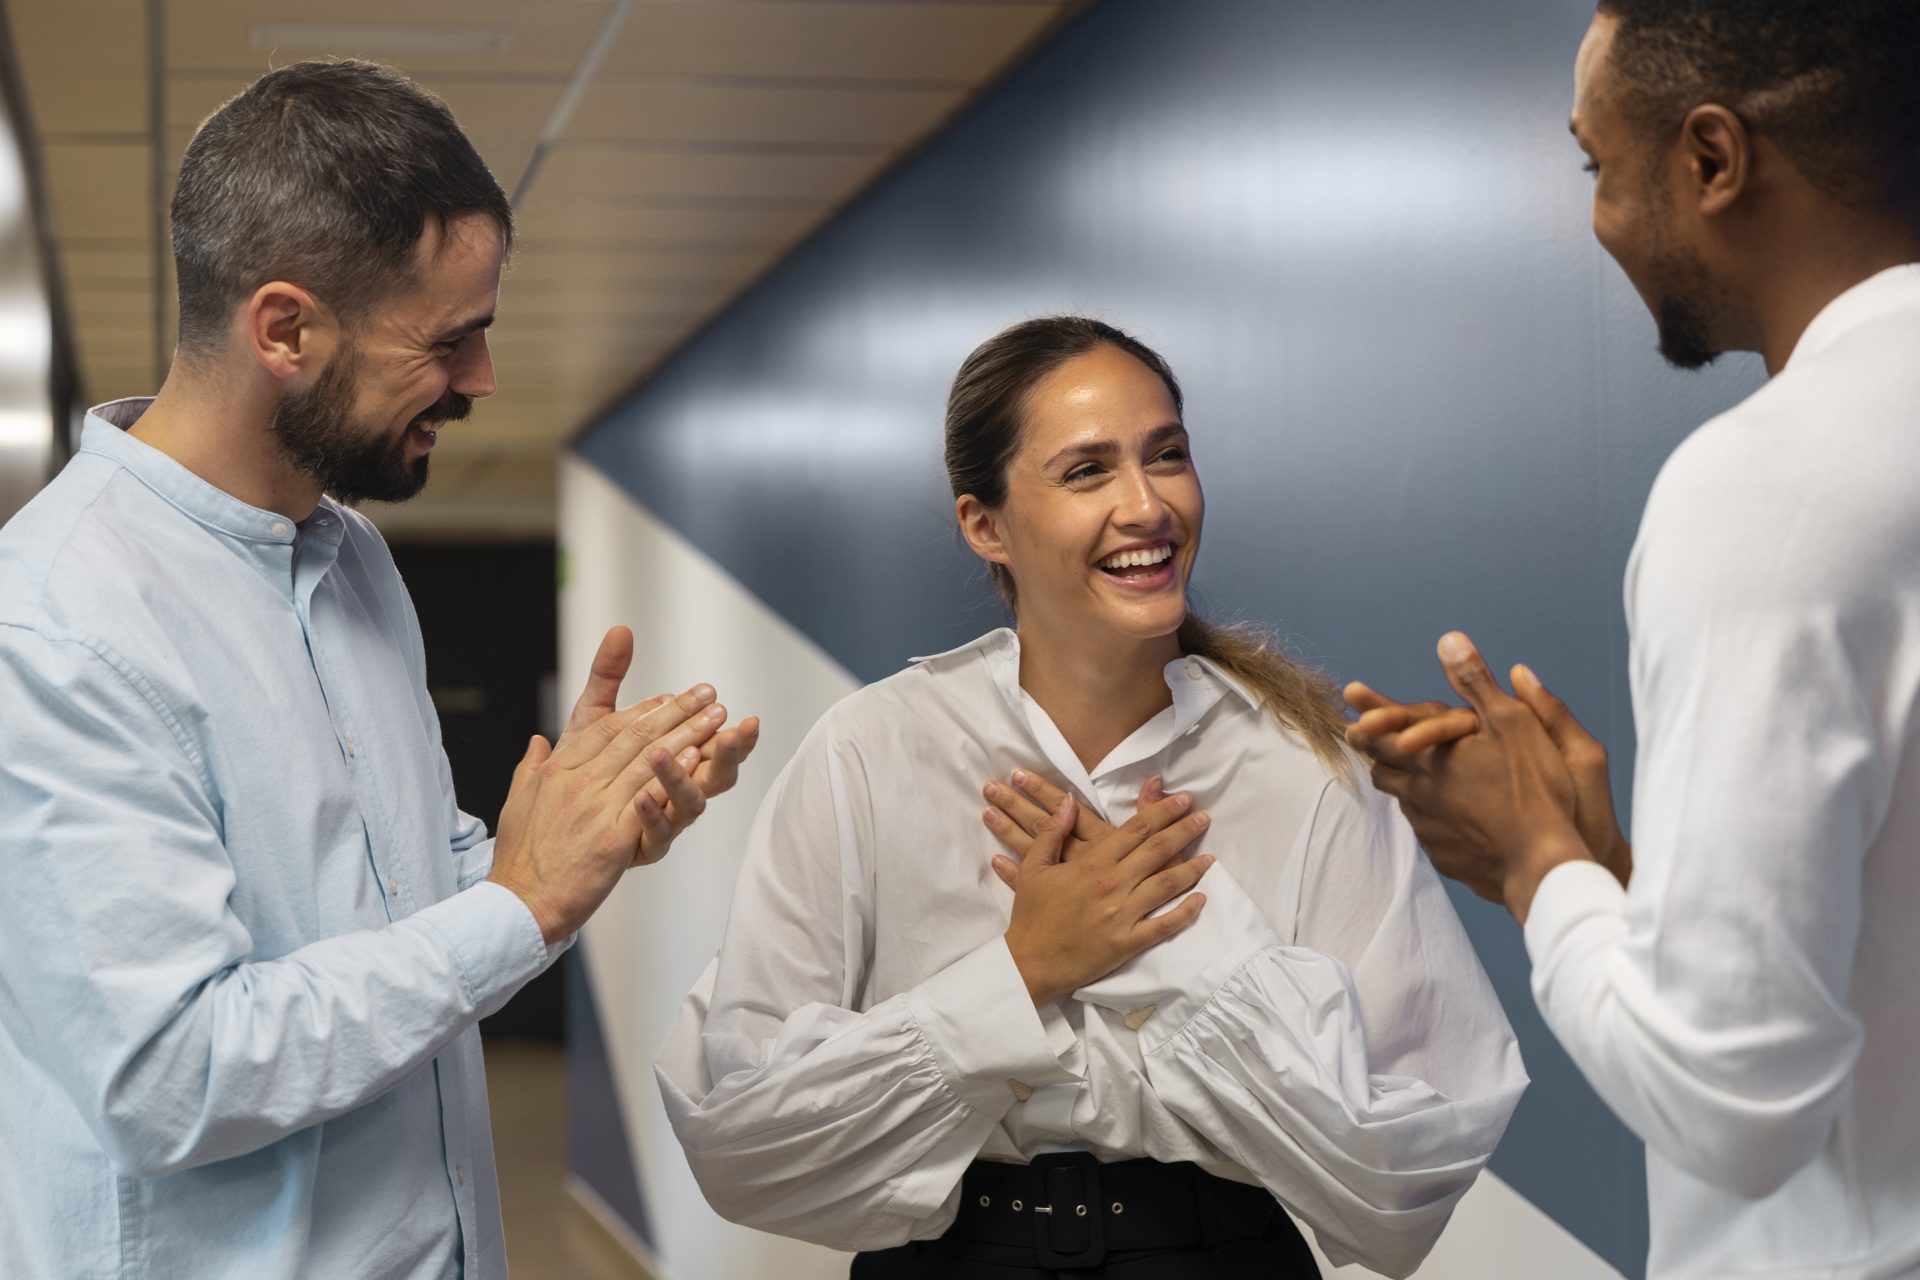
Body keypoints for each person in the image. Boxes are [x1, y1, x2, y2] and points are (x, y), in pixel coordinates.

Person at [0, 61, 759, 1280]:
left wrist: (569, 833)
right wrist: (522, 902)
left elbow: (401, 892)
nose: (482, 380)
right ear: (285, 329)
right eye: (450, 340)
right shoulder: (57, 621)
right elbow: (169, 1072)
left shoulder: (353, 557)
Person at [656, 317, 1525, 1279]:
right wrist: (1024, 970)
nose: (1148, 505)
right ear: (985, 524)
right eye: (1088, 472)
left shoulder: (1305, 770)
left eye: (1169, 456)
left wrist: (1177, 942)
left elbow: (1405, 1183)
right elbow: (739, 1132)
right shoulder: (870, 754)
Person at [1343, 3, 1920, 1277]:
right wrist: (1614, 866)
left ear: (1713, 159)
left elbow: (1738, 1108)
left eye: (1597, 166)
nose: (1598, 216)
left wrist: (1535, 862)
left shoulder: (1775, 482)